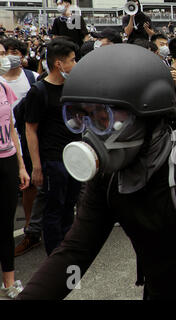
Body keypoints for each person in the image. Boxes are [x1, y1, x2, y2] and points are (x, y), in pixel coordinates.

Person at [17, 44, 176, 300]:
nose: (90, 133)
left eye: (104, 117)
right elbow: (73, 255)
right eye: (82, 117)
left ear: (147, 114)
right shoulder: (109, 177)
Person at [24, 38, 81, 256]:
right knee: (53, 210)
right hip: (52, 159)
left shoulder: (72, 87)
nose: (75, 64)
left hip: (74, 156)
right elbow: (30, 129)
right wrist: (37, 166)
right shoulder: (39, 91)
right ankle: (55, 257)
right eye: (72, 60)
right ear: (59, 63)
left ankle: (67, 253)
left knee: (69, 207)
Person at [0, 38, 41, 256]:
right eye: (6, 52)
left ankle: (29, 228)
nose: (9, 56)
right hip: (5, 144)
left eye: (13, 51)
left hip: (23, 139)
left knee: (29, 187)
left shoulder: (32, 78)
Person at [0, 49, 30, 299]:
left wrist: (21, 165)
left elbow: (11, 129)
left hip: (8, 161)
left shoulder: (3, 87)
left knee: (6, 224)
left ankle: (8, 282)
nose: (3, 58)